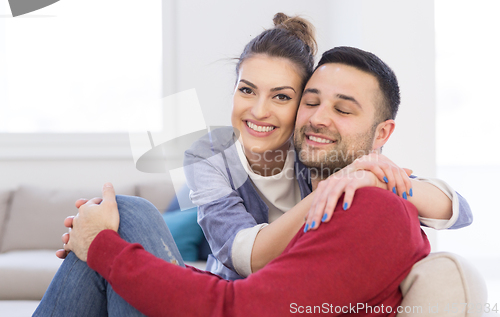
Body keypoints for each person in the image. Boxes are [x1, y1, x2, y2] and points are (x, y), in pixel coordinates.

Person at [34, 46, 471, 316]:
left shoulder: (373, 198)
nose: (318, 118)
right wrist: (342, 179)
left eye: (282, 97)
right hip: (234, 288)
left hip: (235, 301)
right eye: (313, 103)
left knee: (123, 219)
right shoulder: (221, 155)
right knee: (123, 218)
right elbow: (241, 260)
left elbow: (459, 208)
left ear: (381, 135)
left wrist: (102, 245)